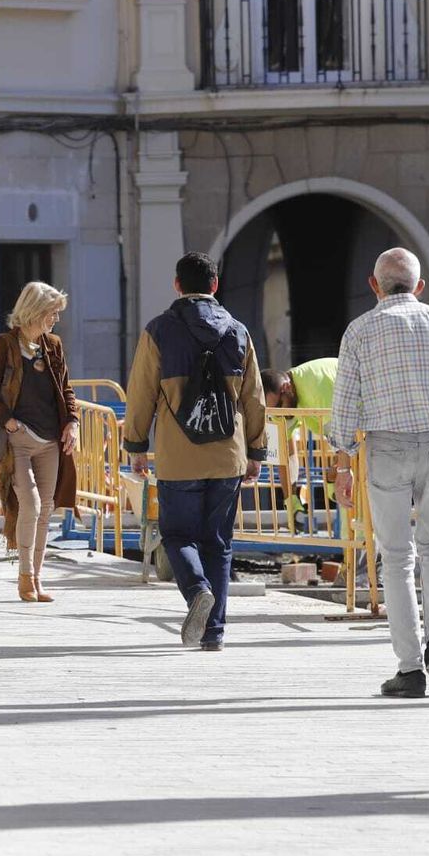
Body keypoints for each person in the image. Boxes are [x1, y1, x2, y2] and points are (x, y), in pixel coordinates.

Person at [327, 248, 429, 698]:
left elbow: (345, 403)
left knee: (397, 557)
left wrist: (341, 461)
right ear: (419, 287)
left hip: (387, 447)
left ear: (374, 285)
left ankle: (409, 668)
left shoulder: (360, 330)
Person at [124, 252, 267, 651]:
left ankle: (197, 589)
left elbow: (141, 394)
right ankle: (214, 633)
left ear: (177, 285)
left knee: (177, 534)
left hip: (178, 455)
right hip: (228, 455)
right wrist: (256, 451)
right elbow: (254, 397)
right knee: (218, 542)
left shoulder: (159, 331)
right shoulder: (238, 332)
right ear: (215, 285)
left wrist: (136, 445)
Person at [0, 282, 79, 602]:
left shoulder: (54, 346)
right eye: (52, 313)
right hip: (18, 441)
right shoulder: (3, 346)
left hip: (50, 441)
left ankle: (37, 579)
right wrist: (7, 420)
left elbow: (66, 390)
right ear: (34, 312)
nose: (55, 320)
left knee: (46, 509)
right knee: (30, 506)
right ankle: (24, 576)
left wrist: (73, 423)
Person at [261, 357, 338, 511]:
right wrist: (291, 499)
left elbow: (345, 440)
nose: (280, 415)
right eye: (274, 412)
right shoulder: (283, 404)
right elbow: (287, 454)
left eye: (279, 406)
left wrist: (333, 477)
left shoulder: (315, 388)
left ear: (287, 387)